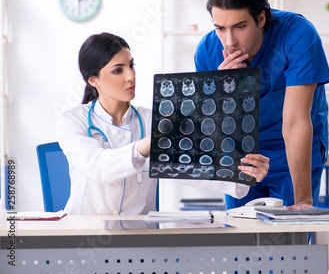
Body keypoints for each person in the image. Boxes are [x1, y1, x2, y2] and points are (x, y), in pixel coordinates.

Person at [57, 32, 269, 215]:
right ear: (93, 80)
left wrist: (245, 172)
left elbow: (193, 167)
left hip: (138, 241)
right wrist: (153, 142)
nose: (131, 76)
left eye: (131, 66)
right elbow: (100, 167)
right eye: (118, 70)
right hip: (82, 234)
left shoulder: (152, 120)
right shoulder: (72, 121)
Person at [195, 0, 329, 210]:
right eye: (220, 28)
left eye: (239, 27)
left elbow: (296, 122)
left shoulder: (298, 35)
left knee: (291, 235)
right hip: (242, 150)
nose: (229, 41)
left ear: (260, 19)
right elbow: (211, 129)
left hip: (291, 145)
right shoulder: (207, 50)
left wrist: (302, 201)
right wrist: (224, 89)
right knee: (241, 234)